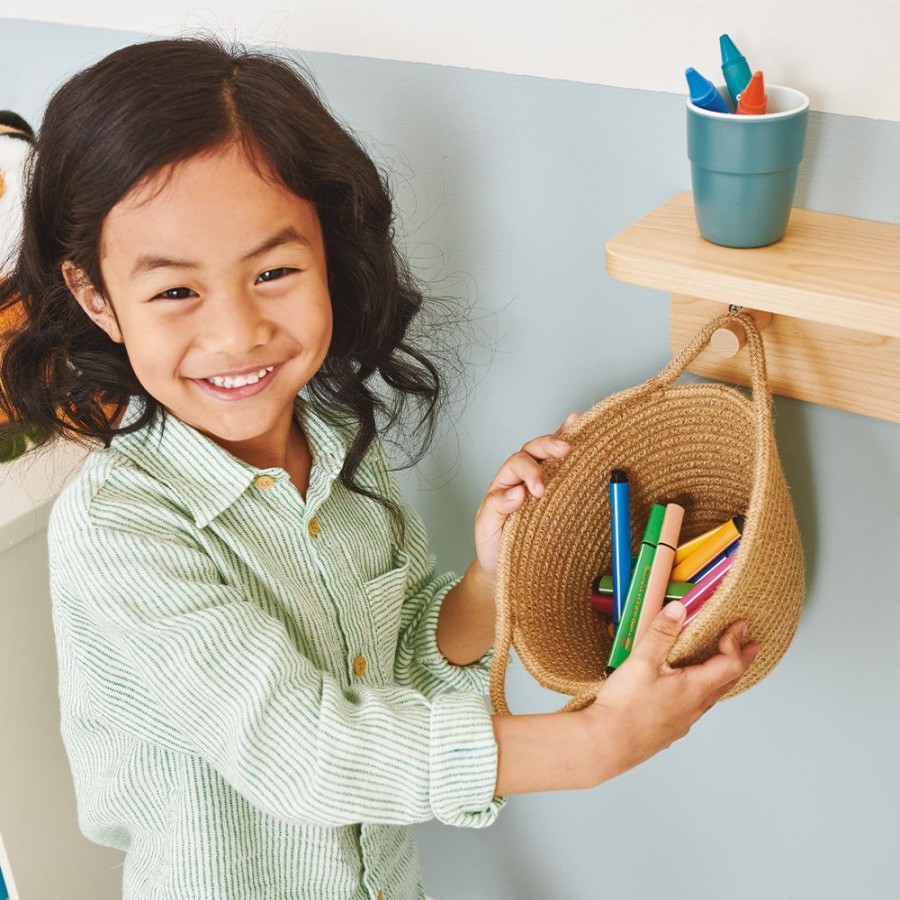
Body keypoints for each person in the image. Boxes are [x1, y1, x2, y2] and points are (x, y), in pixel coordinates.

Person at [0, 35, 758, 900]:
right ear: (98, 298)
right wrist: (592, 744)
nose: (237, 332)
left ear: (328, 251)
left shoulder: (334, 447)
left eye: (274, 271)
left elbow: (388, 663)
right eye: (176, 291)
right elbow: (302, 750)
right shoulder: (119, 529)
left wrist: (484, 580)